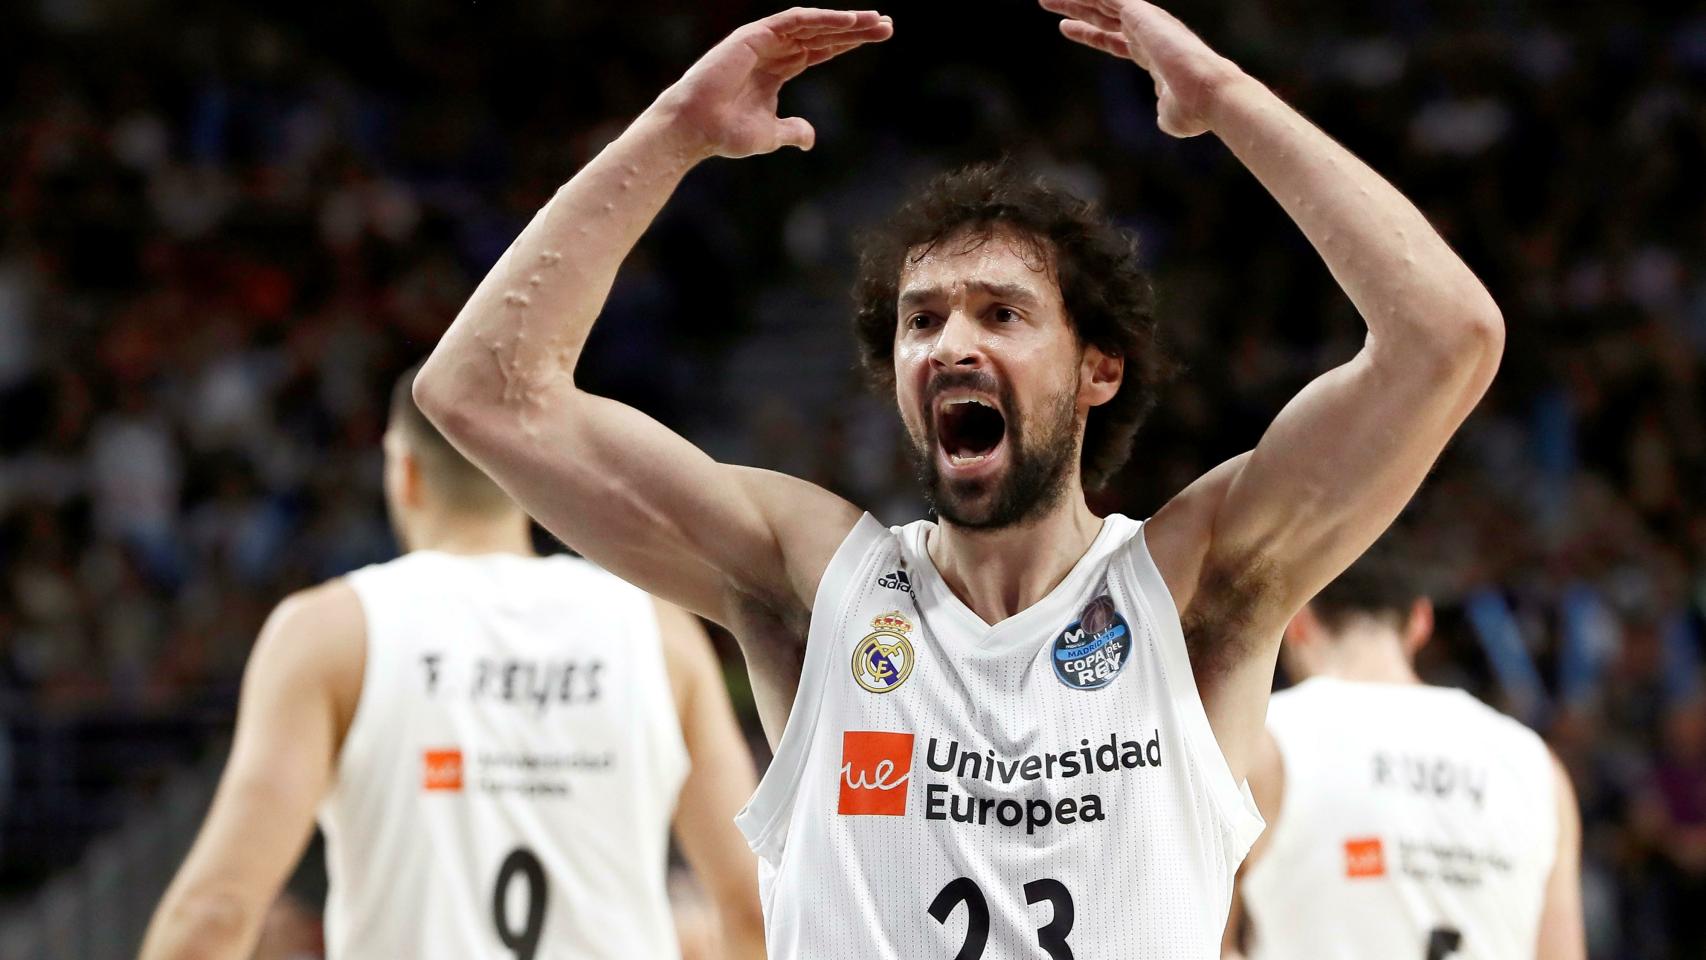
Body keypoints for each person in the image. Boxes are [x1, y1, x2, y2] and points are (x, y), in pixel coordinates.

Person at [413, 1, 1505, 955]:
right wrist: (670, 134)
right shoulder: (814, 585)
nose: (945, 344)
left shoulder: (1194, 588)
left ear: (1096, 368)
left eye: (1000, 312)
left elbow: (1443, 338)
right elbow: (481, 394)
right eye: (919, 321)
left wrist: (1223, 97)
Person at [139, 366, 765, 960]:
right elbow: (754, 906)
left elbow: (215, 914)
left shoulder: (333, 632)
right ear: (527, 475)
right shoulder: (658, 631)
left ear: (403, 473)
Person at [1221, 544, 1586, 960]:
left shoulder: (1263, 743)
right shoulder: (1537, 766)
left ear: (1298, 622)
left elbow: (1204, 943)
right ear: (1420, 621)